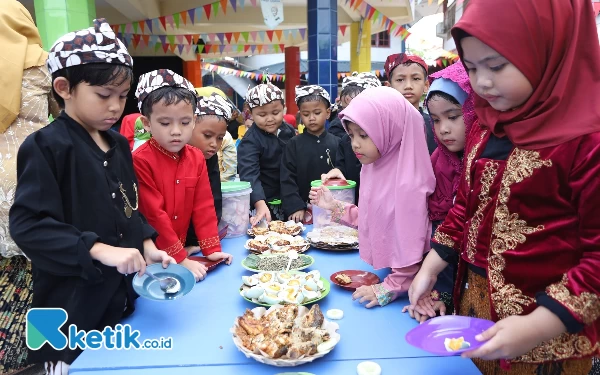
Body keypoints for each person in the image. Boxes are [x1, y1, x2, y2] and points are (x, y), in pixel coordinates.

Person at [407, 0, 600, 373]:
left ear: (548, 51)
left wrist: (538, 325)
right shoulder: (487, 121)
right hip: (475, 305)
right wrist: (431, 266)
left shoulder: (586, 142)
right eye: (473, 66)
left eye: (496, 66)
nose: (482, 82)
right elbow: (467, 202)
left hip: (548, 334)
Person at [9, 19, 175, 374]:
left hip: (120, 300)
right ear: (64, 87)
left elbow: (129, 206)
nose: (115, 106)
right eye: (103, 96)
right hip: (69, 307)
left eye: (122, 96)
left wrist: (147, 244)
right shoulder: (46, 146)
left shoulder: (117, 143)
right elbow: (29, 226)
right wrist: (100, 250)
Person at [312, 86, 435, 308]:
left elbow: (411, 244)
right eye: (351, 135)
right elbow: (376, 220)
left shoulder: (409, 183)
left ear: (391, 129)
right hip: (390, 271)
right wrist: (334, 207)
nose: (355, 144)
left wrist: (388, 289)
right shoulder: (375, 168)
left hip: (408, 286)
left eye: (364, 135)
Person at [0, 1, 60, 372]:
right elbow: (66, 113)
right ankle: (32, 356)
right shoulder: (41, 63)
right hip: (30, 181)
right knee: (36, 270)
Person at [132, 69, 233, 282]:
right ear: (147, 123)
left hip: (183, 248)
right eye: (165, 123)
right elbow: (153, 214)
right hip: (153, 255)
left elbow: (203, 205)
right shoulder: (140, 160)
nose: (176, 131)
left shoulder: (196, 158)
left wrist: (210, 248)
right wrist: (180, 258)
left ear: (194, 120)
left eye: (185, 122)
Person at [405, 61, 476, 321]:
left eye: (453, 116)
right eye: (435, 120)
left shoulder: (489, 163)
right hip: (444, 275)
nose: (443, 128)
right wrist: (438, 295)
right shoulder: (437, 163)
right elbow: (440, 230)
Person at [237, 82, 296, 225]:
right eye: (262, 115)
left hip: (289, 196)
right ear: (251, 114)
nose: (270, 119)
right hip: (265, 200)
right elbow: (249, 174)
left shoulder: (288, 131)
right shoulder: (250, 141)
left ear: (284, 108)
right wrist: (259, 202)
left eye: (275, 113)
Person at [280, 85, 340, 222]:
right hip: (302, 210)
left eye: (317, 113)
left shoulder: (337, 143)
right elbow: (287, 178)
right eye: (306, 115)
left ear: (328, 113)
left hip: (332, 208)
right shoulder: (293, 144)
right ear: (301, 115)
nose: (311, 118)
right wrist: (295, 206)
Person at [185, 92, 235, 252]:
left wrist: (207, 240)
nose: (214, 144)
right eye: (207, 136)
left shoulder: (210, 158)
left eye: (220, 138)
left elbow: (213, 200)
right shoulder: (178, 157)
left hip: (204, 241)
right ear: (190, 125)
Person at [327, 72, 382, 205]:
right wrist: (337, 172)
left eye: (363, 136)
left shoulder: (388, 144)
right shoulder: (345, 141)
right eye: (345, 109)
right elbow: (342, 168)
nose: (350, 115)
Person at [384, 53, 437, 155]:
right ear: (388, 87)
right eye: (400, 80)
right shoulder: (382, 125)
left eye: (416, 79)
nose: (408, 86)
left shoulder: (434, 124)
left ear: (426, 85)